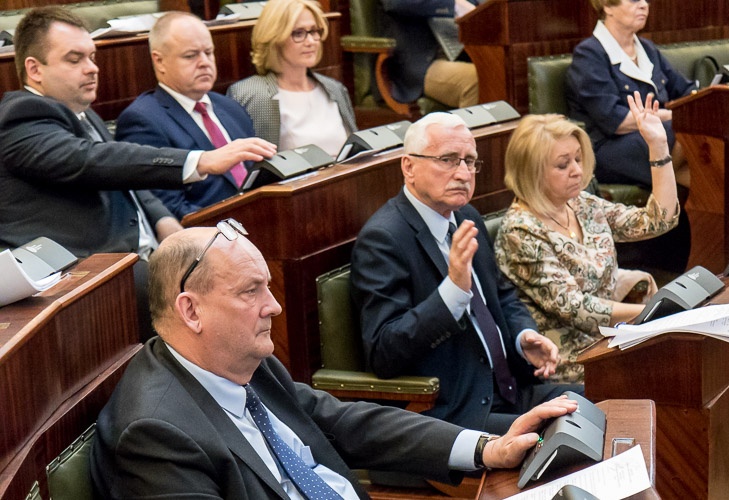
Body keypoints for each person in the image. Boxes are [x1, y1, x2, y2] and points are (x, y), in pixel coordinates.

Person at [90, 223, 579, 498]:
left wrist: (487, 448)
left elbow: (345, 422)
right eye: (250, 291)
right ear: (191, 310)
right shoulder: (154, 432)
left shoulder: (244, 364)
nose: (274, 306)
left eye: (267, 287)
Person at [0, 6, 271, 338]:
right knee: (222, 299)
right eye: (75, 59)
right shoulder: (21, 116)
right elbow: (91, 160)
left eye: (92, 57)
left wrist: (164, 221)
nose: (92, 68)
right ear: (34, 69)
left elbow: (121, 177)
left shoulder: (82, 114)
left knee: (240, 276)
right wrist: (198, 161)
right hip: (84, 272)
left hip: (135, 256)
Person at [350, 112, 583, 435]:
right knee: (566, 434)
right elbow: (384, 352)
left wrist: (523, 337)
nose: (462, 173)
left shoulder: (465, 215)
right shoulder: (383, 239)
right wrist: (453, 293)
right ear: (409, 167)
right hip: (457, 411)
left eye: (469, 161)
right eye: (448, 160)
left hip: (513, 391)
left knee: (608, 402)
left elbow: (503, 295)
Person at [495, 92, 679, 383]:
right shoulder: (520, 230)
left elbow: (658, 220)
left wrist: (658, 146)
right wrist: (654, 314)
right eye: (563, 164)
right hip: (569, 365)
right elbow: (576, 309)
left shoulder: (581, 203)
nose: (577, 171)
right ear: (531, 172)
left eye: (578, 159)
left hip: (611, 341)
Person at [565, 0, 694, 274]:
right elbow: (615, 120)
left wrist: (693, 106)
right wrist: (674, 116)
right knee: (690, 134)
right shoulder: (589, 54)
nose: (644, 5)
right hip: (609, 149)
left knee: (701, 145)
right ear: (608, 7)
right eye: (634, 0)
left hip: (654, 138)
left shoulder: (647, 49)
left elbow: (685, 92)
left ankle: (711, 213)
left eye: (645, 0)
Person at [116, 11, 277, 220]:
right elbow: (167, 209)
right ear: (159, 61)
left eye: (208, 52)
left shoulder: (229, 106)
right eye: (191, 56)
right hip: (213, 232)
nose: (204, 62)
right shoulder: (142, 120)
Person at [227, 0, 356, 157]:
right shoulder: (253, 95)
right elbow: (249, 165)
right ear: (274, 38)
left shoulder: (334, 88)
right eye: (298, 33)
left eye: (314, 31)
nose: (310, 42)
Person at [375, 0, 479, 109]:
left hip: (461, 53)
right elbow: (396, 3)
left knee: (489, 72)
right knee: (477, 79)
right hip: (419, 63)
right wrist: (453, 4)